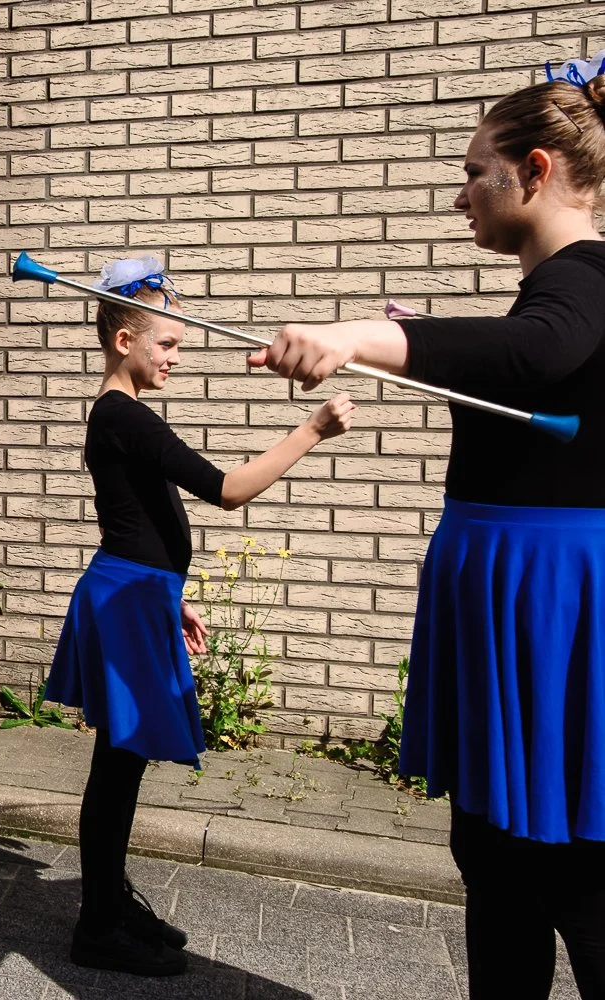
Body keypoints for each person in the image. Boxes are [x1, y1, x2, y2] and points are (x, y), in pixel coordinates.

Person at [250, 57, 605, 1000]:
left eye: (473, 171)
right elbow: (534, 383)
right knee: (502, 856)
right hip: (520, 596)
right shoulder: (564, 288)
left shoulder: (586, 280)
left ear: (535, 171)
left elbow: (539, 352)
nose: (460, 196)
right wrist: (429, 348)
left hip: (544, 605)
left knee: (558, 865)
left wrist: (363, 336)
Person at [46, 256, 354, 976]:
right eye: (169, 344)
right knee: (117, 766)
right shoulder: (124, 416)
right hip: (124, 601)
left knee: (123, 764)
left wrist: (172, 592)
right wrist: (311, 429)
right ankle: (97, 924)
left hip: (140, 594)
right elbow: (226, 490)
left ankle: (109, 901)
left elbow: (138, 518)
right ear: (124, 341)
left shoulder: (120, 416)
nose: (176, 357)